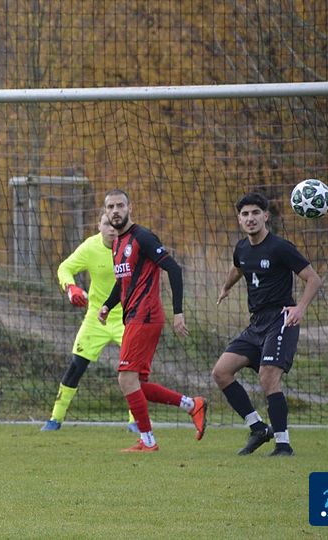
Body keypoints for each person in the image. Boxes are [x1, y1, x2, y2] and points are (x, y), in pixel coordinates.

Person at [97, 189, 207, 452]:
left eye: (120, 205)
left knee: (126, 379)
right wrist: (107, 305)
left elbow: (174, 268)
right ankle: (192, 405)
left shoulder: (143, 237)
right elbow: (123, 281)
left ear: (130, 208)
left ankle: (148, 440)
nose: (115, 211)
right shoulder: (117, 243)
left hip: (145, 315)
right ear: (106, 212)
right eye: (110, 207)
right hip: (134, 317)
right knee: (137, 383)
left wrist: (178, 312)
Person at [212, 192, 321, 457]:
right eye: (245, 214)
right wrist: (226, 287)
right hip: (256, 323)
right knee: (221, 372)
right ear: (239, 219)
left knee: (268, 376)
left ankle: (283, 444)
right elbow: (238, 268)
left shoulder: (280, 247)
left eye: (255, 213)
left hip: (281, 319)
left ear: (265, 216)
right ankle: (259, 428)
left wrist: (300, 308)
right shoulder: (241, 248)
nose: (250, 218)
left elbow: (314, 279)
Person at [41, 213, 141, 432]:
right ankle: (55, 419)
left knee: (134, 370)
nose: (111, 228)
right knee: (76, 366)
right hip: (96, 318)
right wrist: (71, 288)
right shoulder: (90, 247)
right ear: (99, 226)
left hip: (127, 318)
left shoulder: (133, 246)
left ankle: (135, 421)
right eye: (106, 224)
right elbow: (64, 268)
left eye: (114, 224)